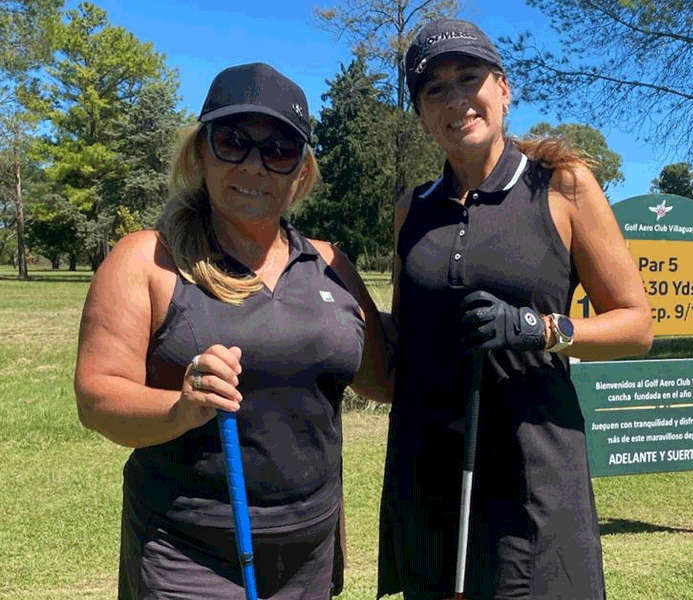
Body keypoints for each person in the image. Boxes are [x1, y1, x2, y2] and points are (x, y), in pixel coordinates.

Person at [74, 62, 392, 600]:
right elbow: (97, 396)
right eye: (233, 141)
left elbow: (389, 381)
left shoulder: (332, 264)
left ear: (301, 170)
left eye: (279, 149)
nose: (255, 165)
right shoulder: (147, 260)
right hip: (187, 552)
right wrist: (181, 406)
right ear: (201, 152)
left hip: (309, 551)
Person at [377, 19, 654, 600]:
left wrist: (541, 328)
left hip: (532, 473)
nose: (456, 100)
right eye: (435, 90)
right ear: (422, 113)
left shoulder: (563, 188)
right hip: (429, 475)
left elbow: (636, 326)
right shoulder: (412, 209)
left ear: (503, 88)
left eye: (469, 78)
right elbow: (403, 340)